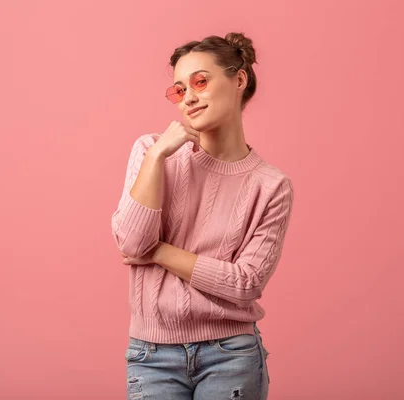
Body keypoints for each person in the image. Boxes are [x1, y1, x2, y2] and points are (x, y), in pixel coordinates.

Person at [111, 31, 294, 400]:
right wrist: (157, 156)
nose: (189, 97)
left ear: (238, 79)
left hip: (231, 354)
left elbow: (245, 284)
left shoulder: (270, 186)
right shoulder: (152, 151)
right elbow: (130, 242)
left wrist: (158, 251)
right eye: (179, 89)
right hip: (151, 356)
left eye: (201, 81)